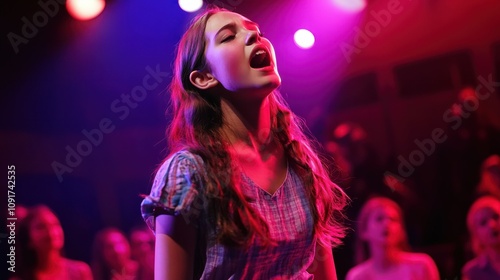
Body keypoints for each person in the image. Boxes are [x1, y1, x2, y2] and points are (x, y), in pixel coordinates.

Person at [140, 7, 348, 280]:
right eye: (228, 37)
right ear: (203, 78)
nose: (253, 36)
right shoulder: (189, 172)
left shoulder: (300, 161)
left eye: (257, 31)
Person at [346, 197, 439, 280]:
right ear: (364, 230)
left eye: (393, 219)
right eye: (379, 218)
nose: (387, 224)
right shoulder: (356, 276)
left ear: (402, 231)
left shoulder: (422, 266)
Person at [13, 205, 92, 280]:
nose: (51, 232)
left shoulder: (80, 271)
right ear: (28, 239)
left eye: (55, 225)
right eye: (41, 227)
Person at [462, 196, 500, 280]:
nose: (492, 225)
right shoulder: (472, 272)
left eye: (496, 216)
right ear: (476, 235)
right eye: (483, 222)